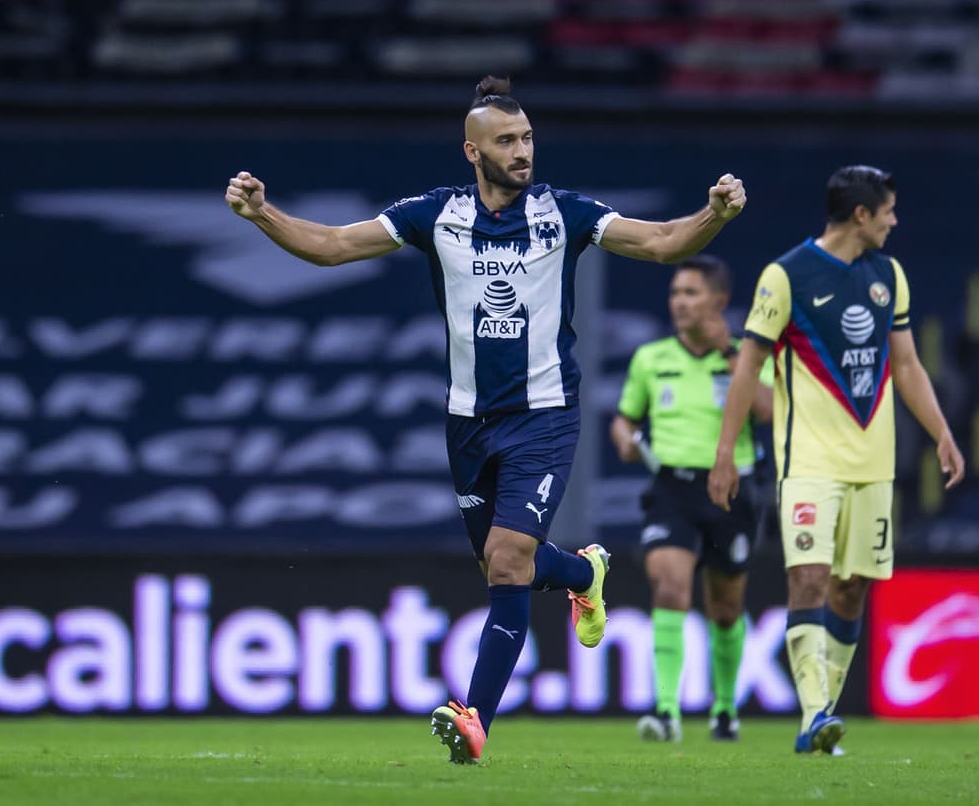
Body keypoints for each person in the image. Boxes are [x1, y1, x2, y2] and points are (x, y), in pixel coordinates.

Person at [225, 76, 747, 764]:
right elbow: (331, 245)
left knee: (506, 562)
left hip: (544, 417)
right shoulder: (432, 215)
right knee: (506, 564)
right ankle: (580, 575)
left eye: (527, 137)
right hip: (467, 423)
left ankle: (474, 721)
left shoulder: (564, 213)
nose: (523, 150)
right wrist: (265, 214)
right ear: (472, 151)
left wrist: (712, 214)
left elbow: (658, 243)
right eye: (506, 141)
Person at [707, 165, 964, 756]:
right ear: (861, 216)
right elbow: (748, 364)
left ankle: (821, 717)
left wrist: (942, 432)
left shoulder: (889, 275)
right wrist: (727, 452)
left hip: (875, 463)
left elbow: (906, 365)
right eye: (889, 211)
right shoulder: (786, 275)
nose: (895, 221)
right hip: (810, 462)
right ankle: (814, 712)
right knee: (811, 578)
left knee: (852, 590)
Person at [609, 255, 773, 744]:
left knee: (725, 606)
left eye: (691, 293)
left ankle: (724, 709)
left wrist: (730, 355)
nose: (679, 302)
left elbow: (769, 411)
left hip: (733, 490)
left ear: (719, 301)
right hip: (672, 488)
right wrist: (624, 436)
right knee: (668, 585)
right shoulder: (651, 357)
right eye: (676, 293)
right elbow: (625, 417)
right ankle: (665, 710)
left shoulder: (748, 354)